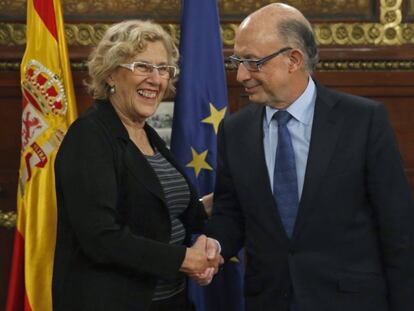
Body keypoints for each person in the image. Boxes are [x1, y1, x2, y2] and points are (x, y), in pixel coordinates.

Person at [200, 3, 414, 311]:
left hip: (350, 301)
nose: (241, 74)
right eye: (238, 61)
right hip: (270, 300)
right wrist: (214, 246)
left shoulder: (362, 121)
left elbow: (398, 231)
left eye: (252, 62)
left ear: (294, 60)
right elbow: (231, 211)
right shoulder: (235, 130)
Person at [52, 20, 221, 311]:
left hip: (171, 300)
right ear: (111, 74)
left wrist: (233, 196)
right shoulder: (90, 136)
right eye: (143, 67)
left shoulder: (147, 134)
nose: (156, 79)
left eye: (164, 69)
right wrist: (183, 259)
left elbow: (182, 213)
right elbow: (100, 238)